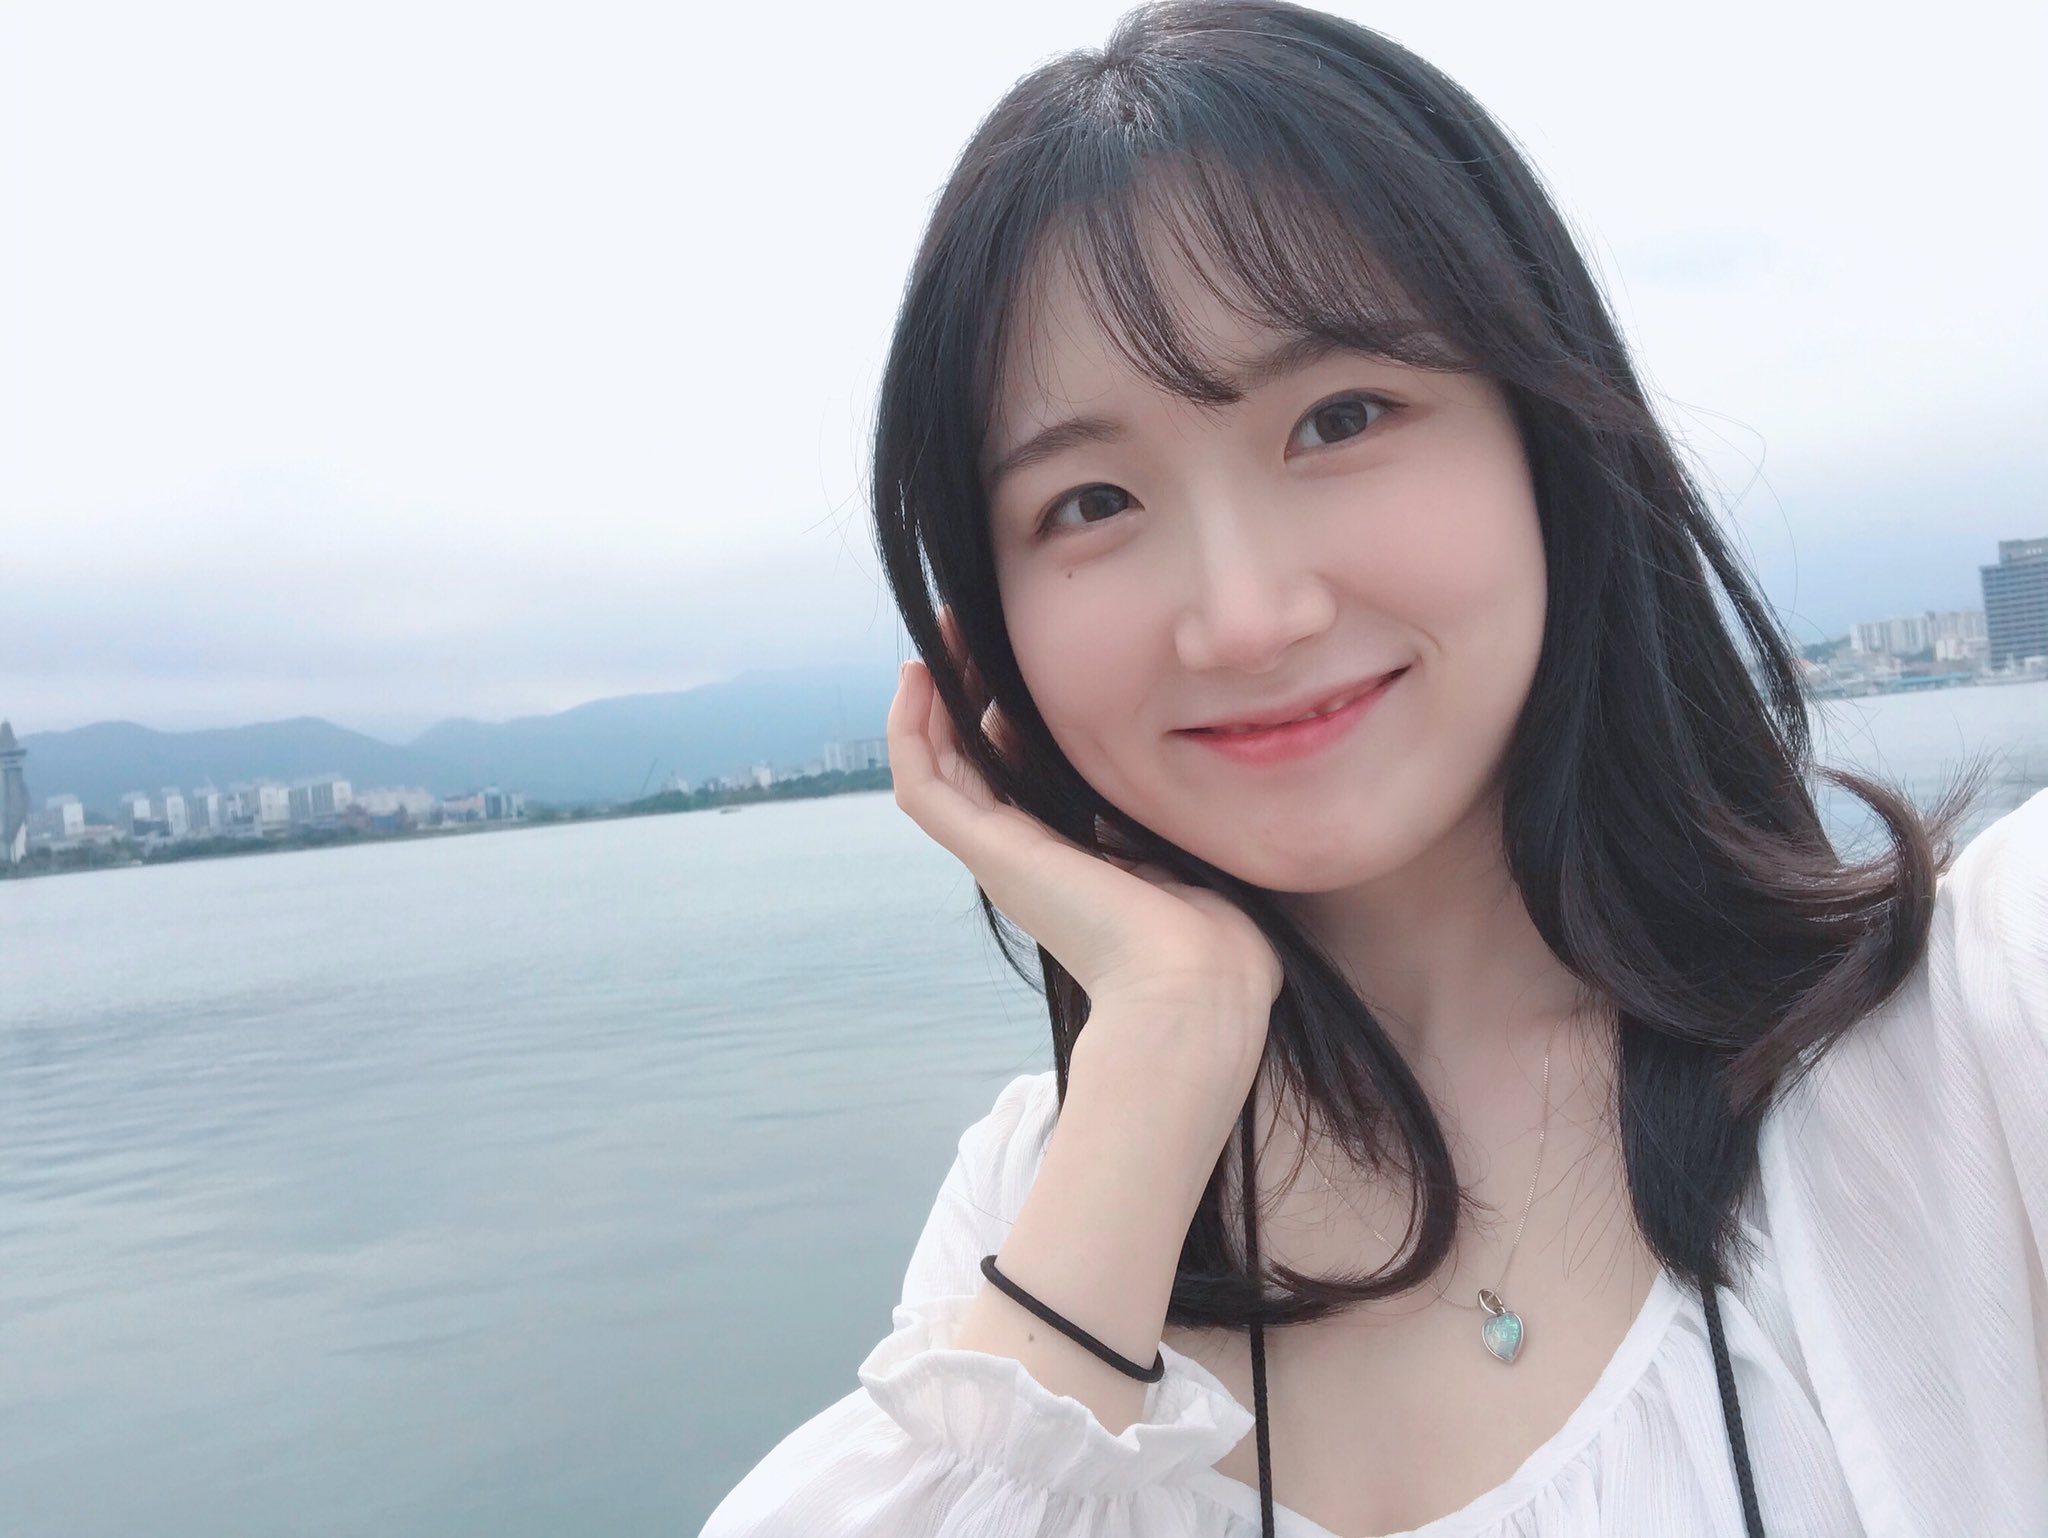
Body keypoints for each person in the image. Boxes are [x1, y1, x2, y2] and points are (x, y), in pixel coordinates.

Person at [701, 3, 2048, 1533]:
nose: (1246, 615)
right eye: (1091, 501)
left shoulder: (1970, 1029)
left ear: (1546, 435)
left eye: (1339, 418)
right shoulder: (1053, 1199)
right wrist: (1168, 1034)